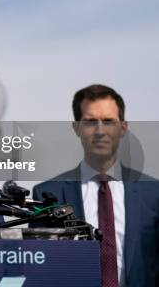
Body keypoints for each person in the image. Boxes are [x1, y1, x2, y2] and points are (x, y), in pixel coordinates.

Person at [33, 84, 159, 287]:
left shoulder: (153, 194)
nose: (100, 131)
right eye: (91, 122)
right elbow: (40, 272)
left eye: (109, 121)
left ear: (123, 128)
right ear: (77, 128)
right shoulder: (48, 194)